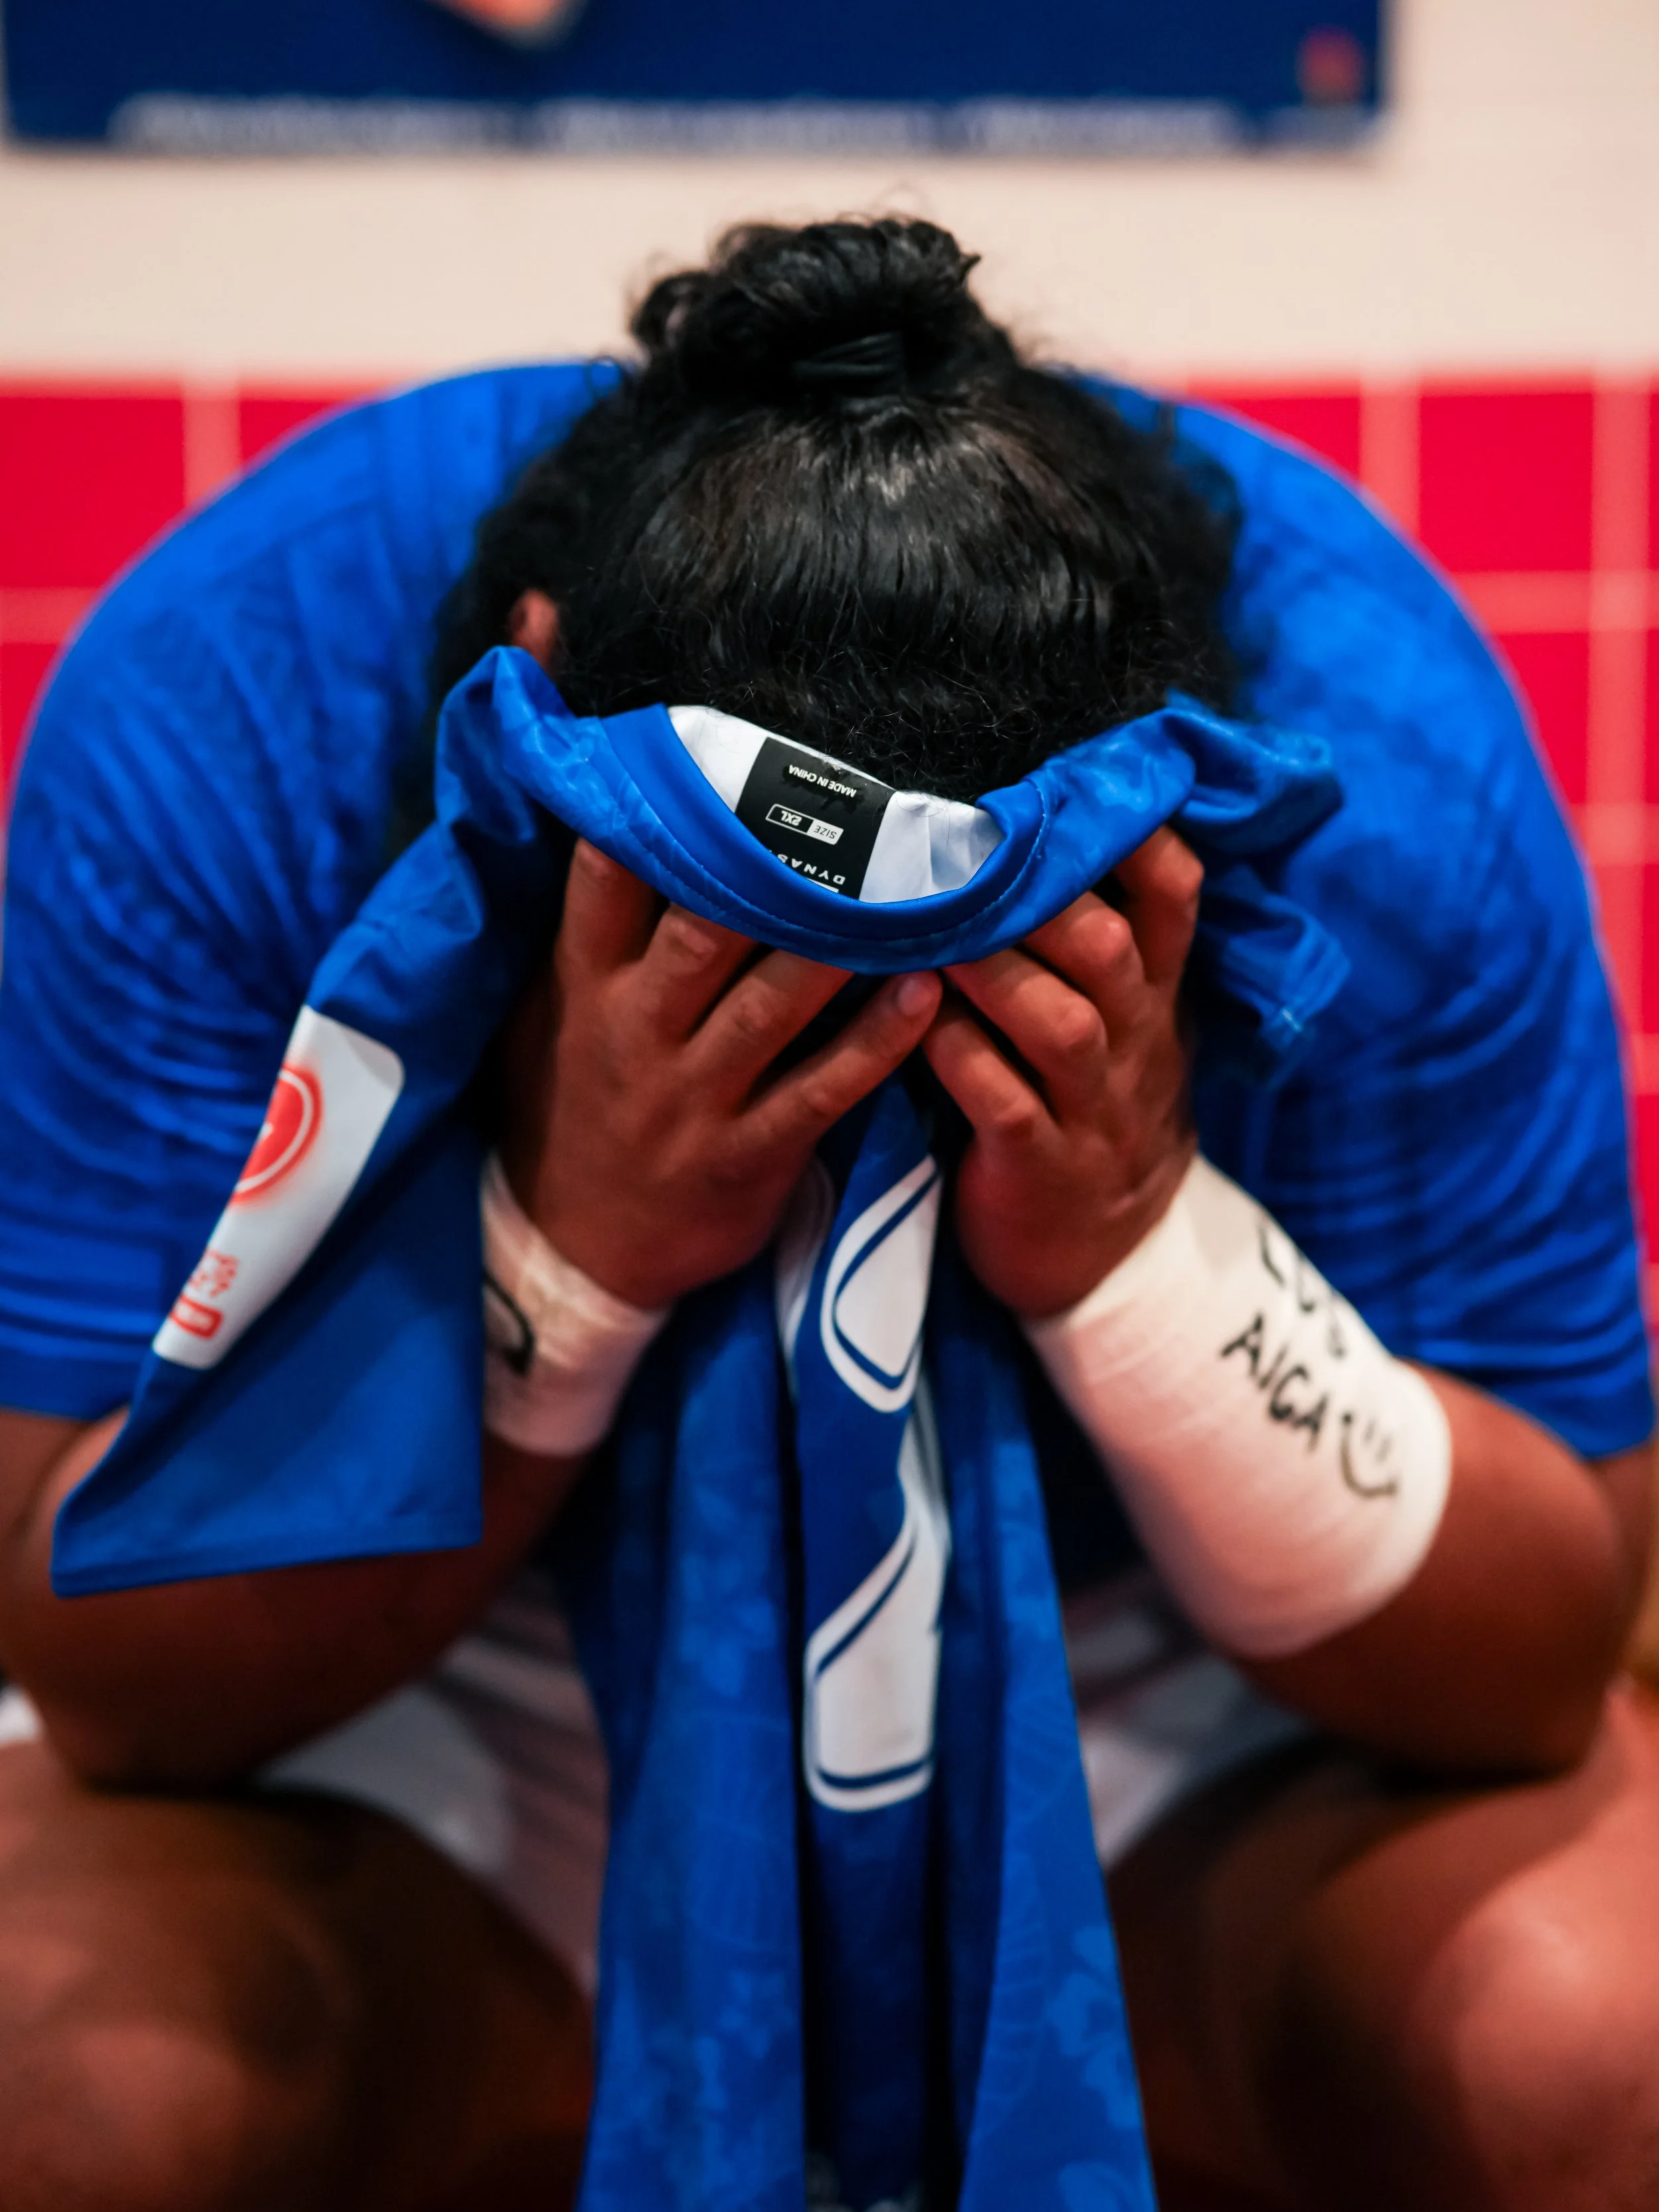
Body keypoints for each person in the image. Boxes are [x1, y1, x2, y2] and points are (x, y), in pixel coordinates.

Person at [0, 217, 1654, 2212]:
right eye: (759, 971)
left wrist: (1136, 1255)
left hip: (1170, 1672)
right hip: (452, 1701)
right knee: (67, 2084)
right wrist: (564, 1255)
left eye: (976, 977)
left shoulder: (1361, 752)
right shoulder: (246, 703)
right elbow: (93, 1670)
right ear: (524, 713)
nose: (857, 1082)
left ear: (1184, 797)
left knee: (1602, 2047)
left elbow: (1549, 1652)